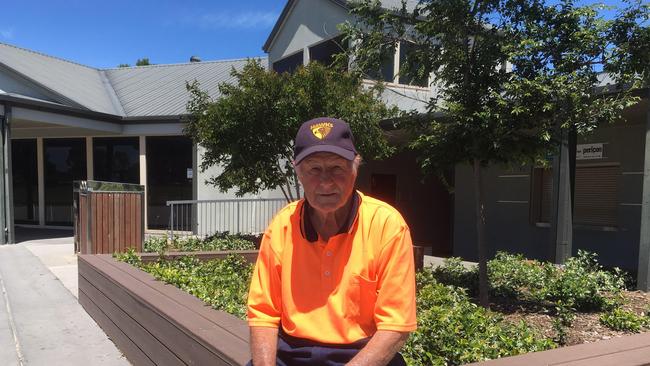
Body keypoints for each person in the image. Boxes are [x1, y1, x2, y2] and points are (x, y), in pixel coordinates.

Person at [247, 117, 417, 366]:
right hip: (291, 354)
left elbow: (395, 327)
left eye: (337, 168)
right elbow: (263, 313)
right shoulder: (283, 225)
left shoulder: (386, 224)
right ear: (298, 172)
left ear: (355, 167)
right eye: (314, 169)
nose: (326, 182)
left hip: (362, 354)